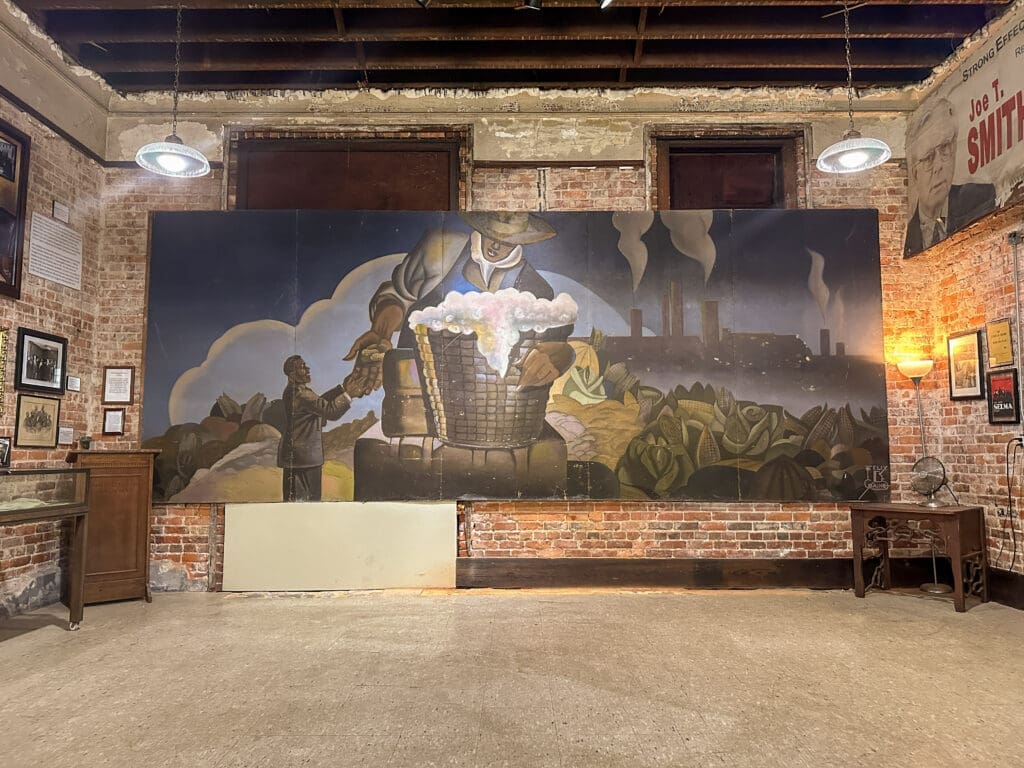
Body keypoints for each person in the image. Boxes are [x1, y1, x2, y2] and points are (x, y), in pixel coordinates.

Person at [344, 211, 575, 394]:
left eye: (506, 240)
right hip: (415, 383)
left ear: (521, 240)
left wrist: (555, 357)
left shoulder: (536, 289)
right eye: (491, 235)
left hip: (487, 402)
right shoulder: (439, 248)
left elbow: (553, 346)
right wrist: (380, 332)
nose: (494, 246)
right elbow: (399, 295)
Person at [903, 98, 996, 257]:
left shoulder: (981, 198)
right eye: (928, 157)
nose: (939, 165)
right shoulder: (909, 240)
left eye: (945, 147)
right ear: (914, 173)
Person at [277, 354, 361, 502]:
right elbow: (329, 410)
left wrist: (342, 388)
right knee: (306, 503)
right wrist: (349, 395)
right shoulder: (301, 394)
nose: (307, 369)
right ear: (291, 375)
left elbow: (318, 402)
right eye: (302, 367)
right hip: (304, 460)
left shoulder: (297, 391)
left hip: (300, 458)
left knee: (300, 503)